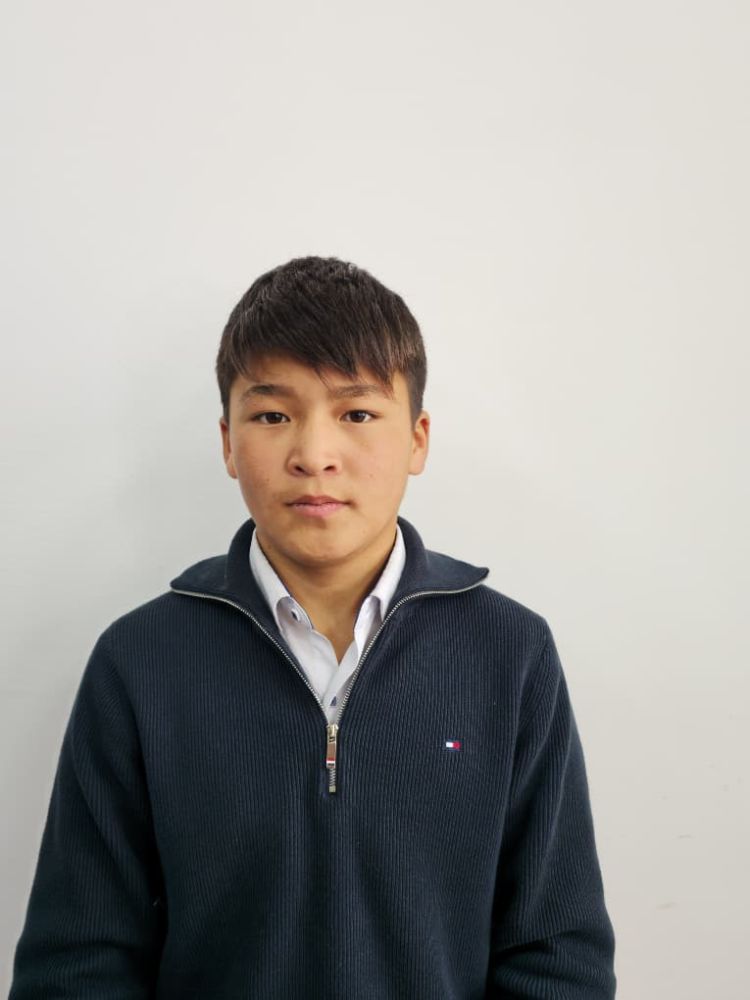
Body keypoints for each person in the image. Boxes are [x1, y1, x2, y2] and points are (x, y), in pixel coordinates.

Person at [8, 255, 617, 998]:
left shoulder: (510, 652)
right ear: (227, 441)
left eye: (356, 414)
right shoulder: (140, 660)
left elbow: (557, 957)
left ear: (418, 439)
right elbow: (78, 963)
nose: (314, 456)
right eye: (272, 416)